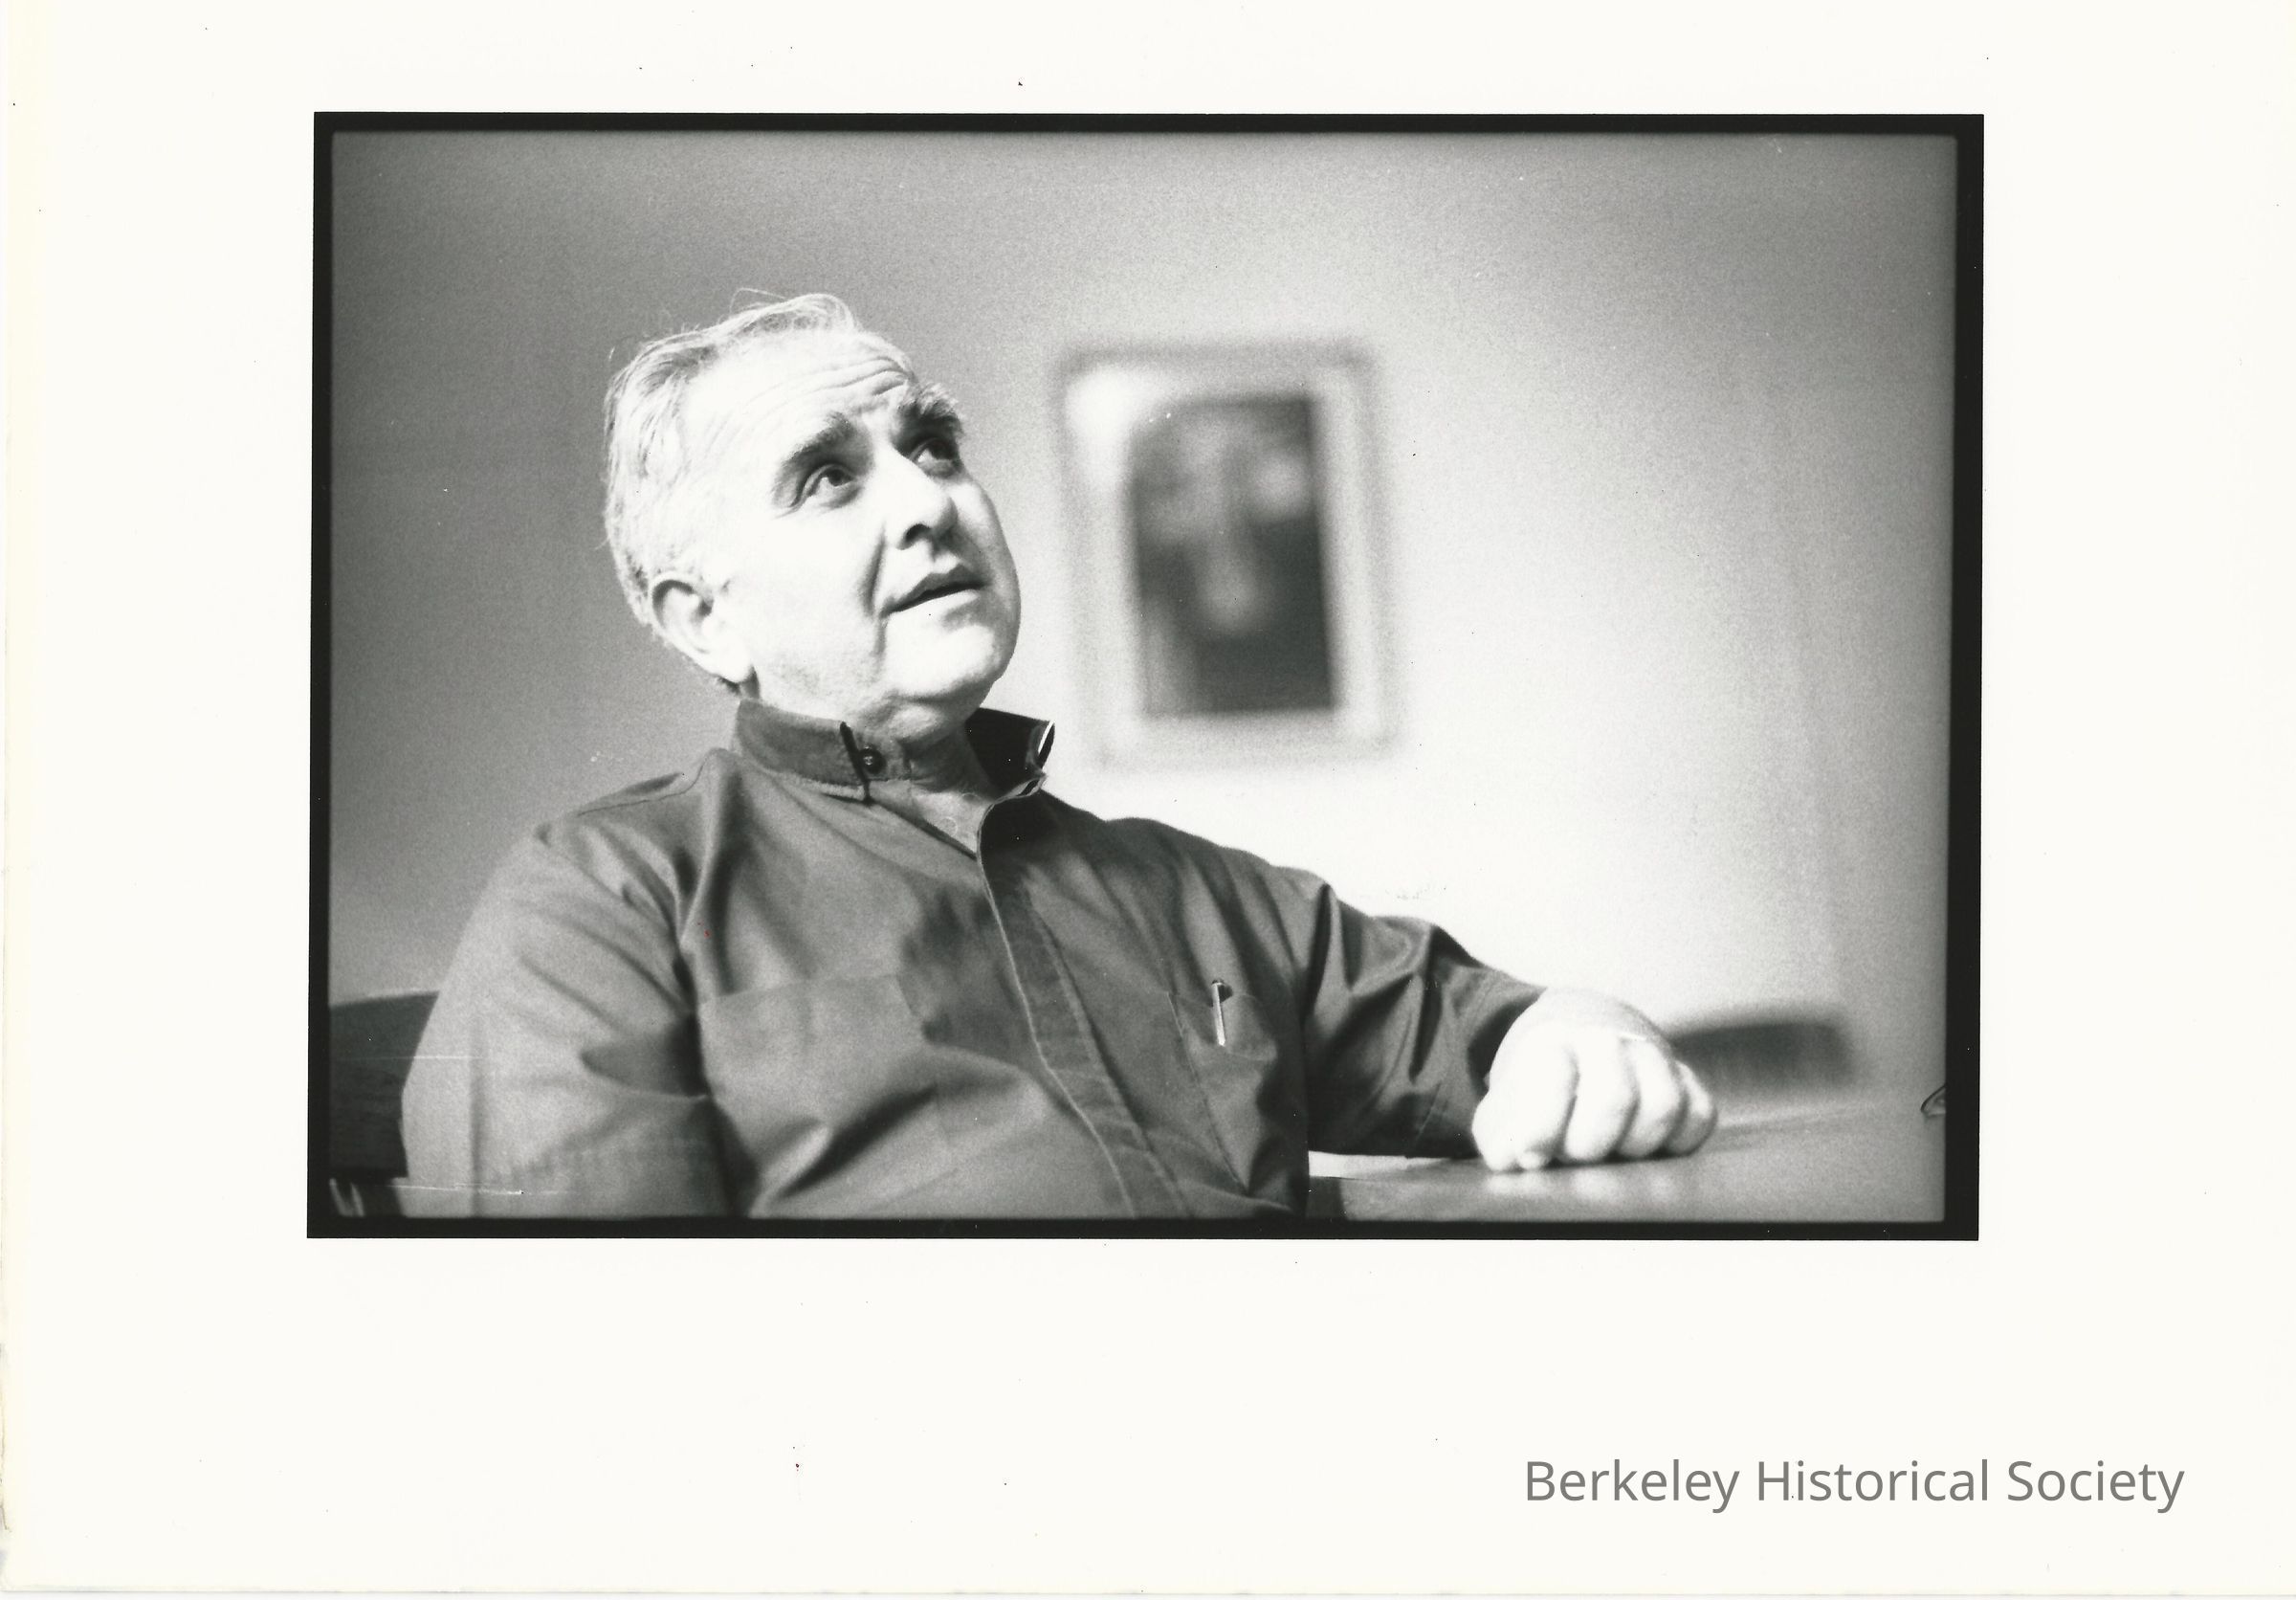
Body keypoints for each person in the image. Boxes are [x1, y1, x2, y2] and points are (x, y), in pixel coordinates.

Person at [401, 294, 1716, 1217]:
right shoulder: (600, 900)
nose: (928, 500)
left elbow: (1519, 1031)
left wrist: (1583, 1043)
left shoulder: (1202, 893)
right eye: (829, 477)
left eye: (932, 446)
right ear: (706, 618)